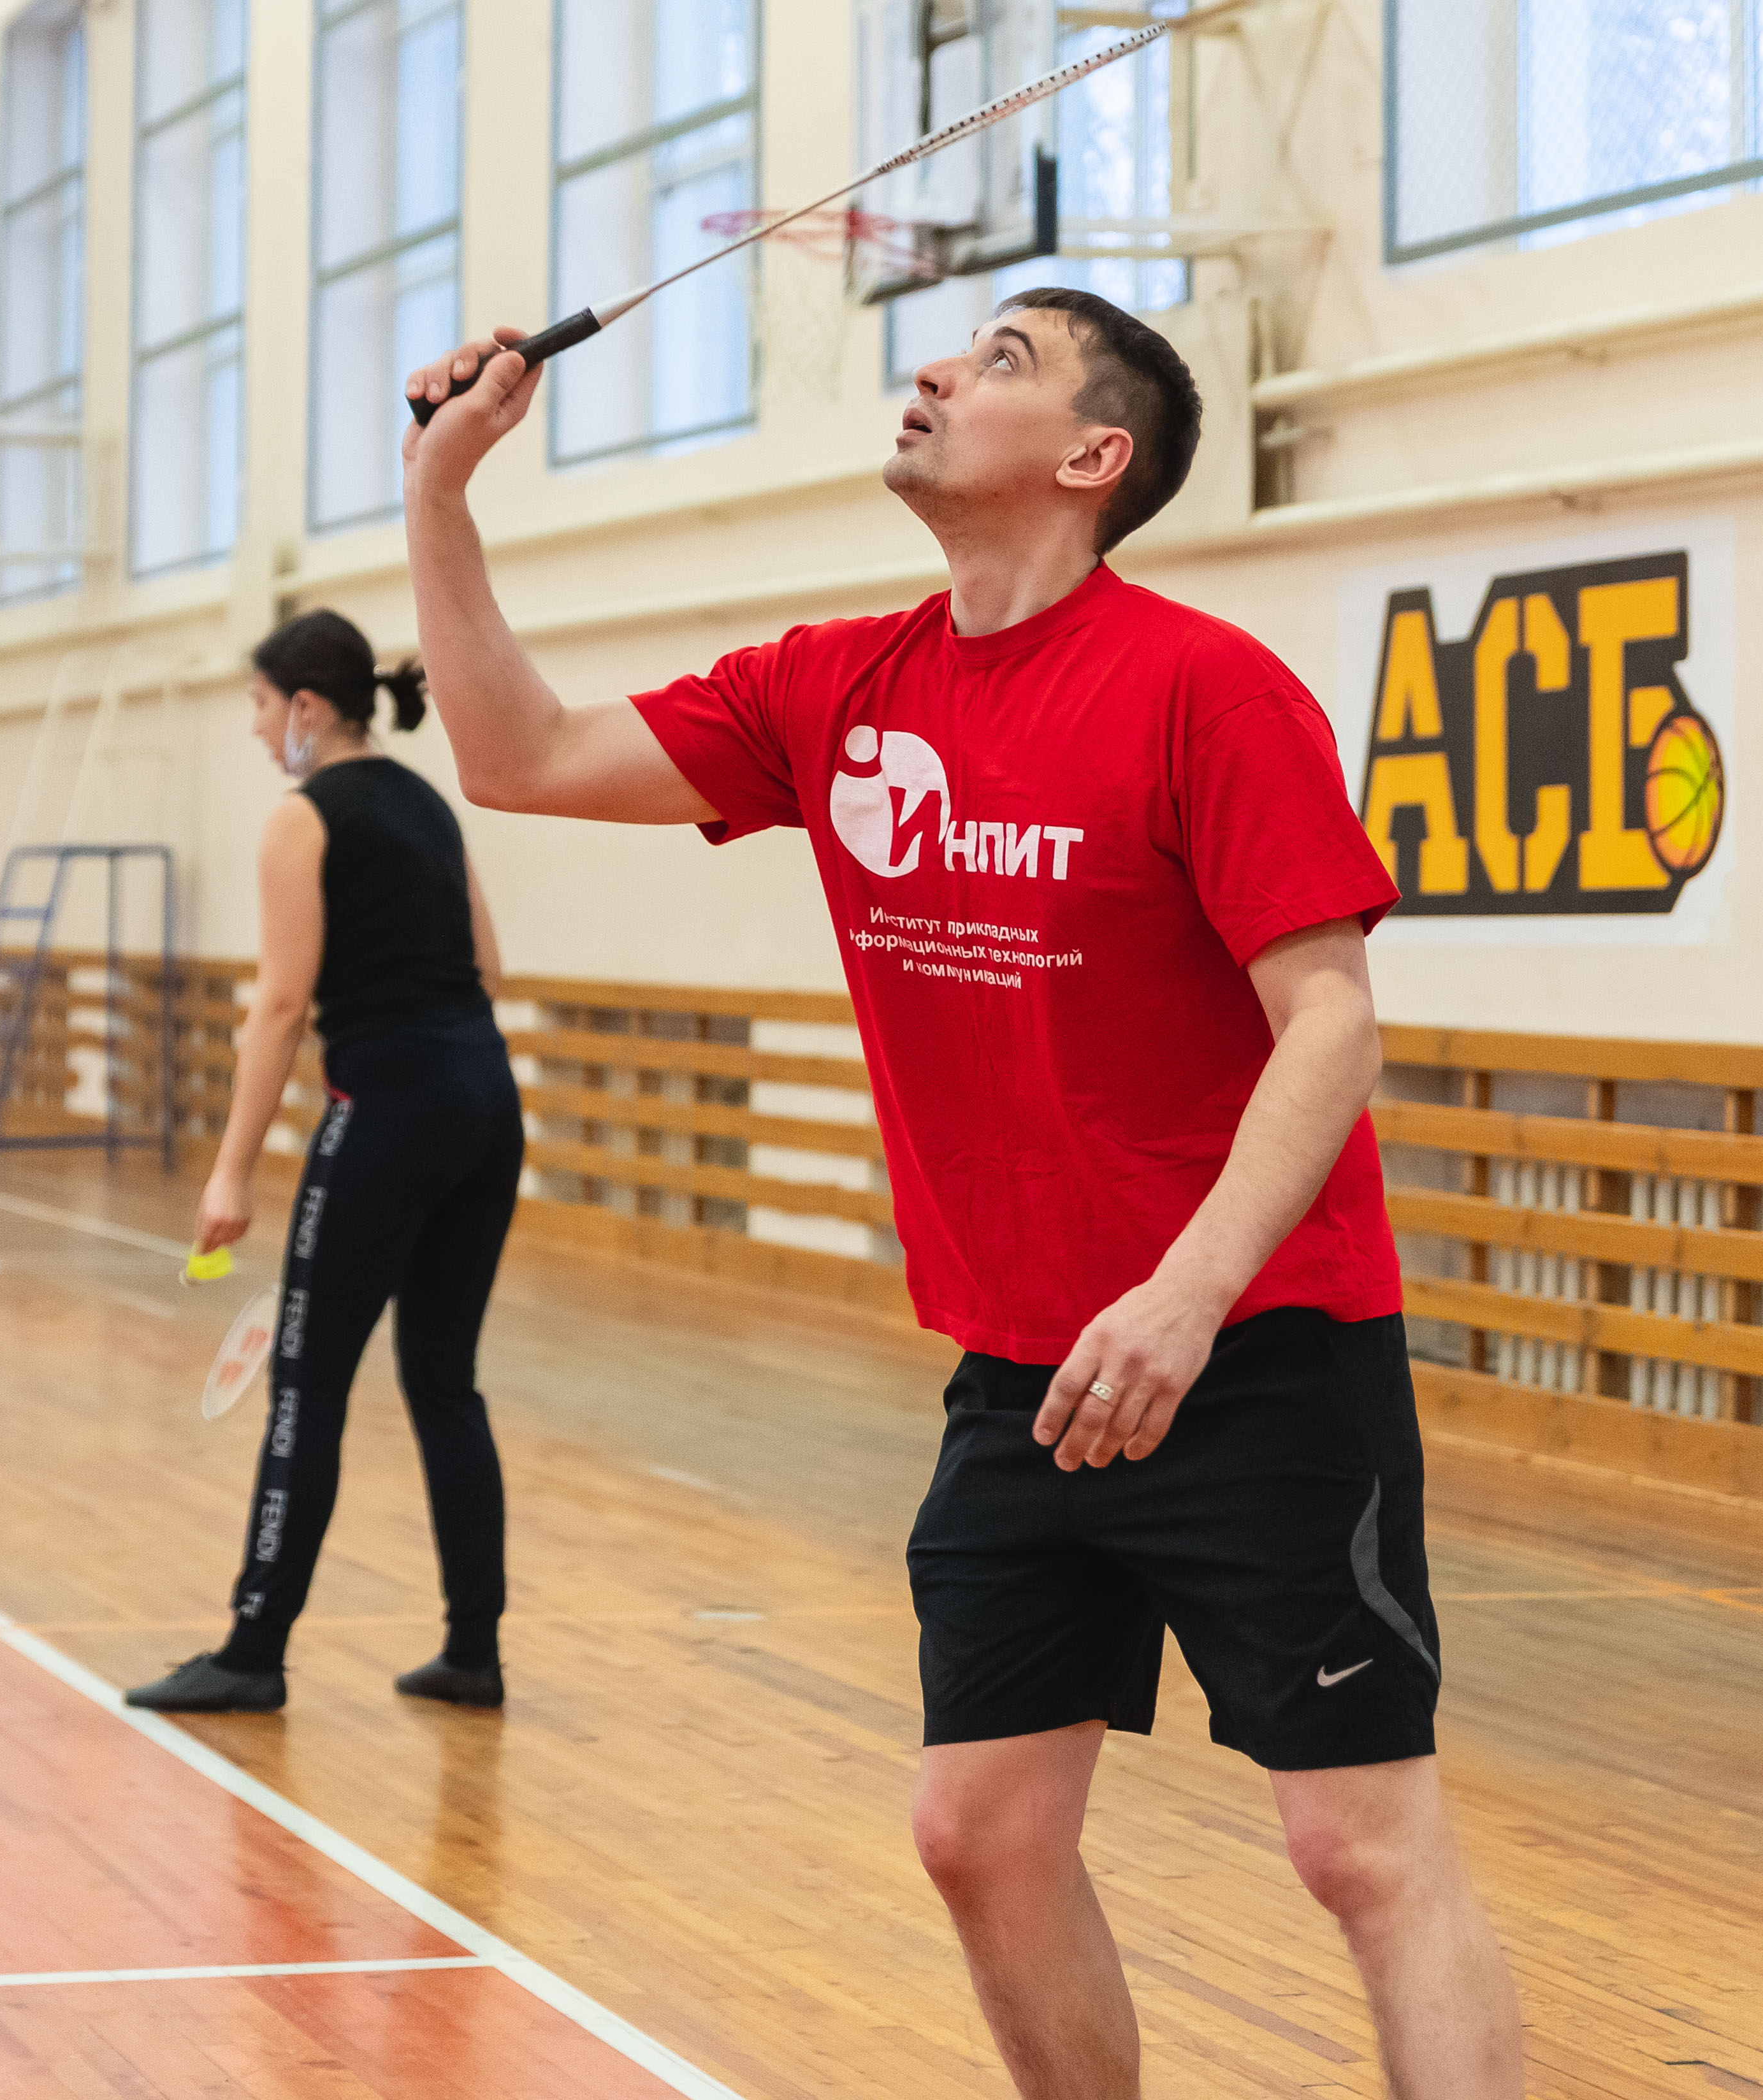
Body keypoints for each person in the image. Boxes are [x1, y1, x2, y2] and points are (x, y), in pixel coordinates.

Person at [398, 292, 1525, 2098]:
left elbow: (1329, 1022)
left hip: (1254, 1353)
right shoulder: (832, 689)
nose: (932, 367)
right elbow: (515, 754)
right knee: (977, 1829)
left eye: (1000, 358)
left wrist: (1184, 1293)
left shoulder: (1204, 687)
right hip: (1021, 1375)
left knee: (1357, 1848)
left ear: (1094, 457)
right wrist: (441, 493)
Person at [126, 609, 520, 1718]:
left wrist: (229, 1172)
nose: (256, 730)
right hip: (484, 1099)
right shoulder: (427, 802)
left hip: (387, 1106)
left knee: (306, 1379)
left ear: (305, 706)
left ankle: (252, 1650)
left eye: (260, 706)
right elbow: (488, 965)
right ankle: (472, 1649)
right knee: (443, 1377)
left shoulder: (302, 818)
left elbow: (282, 1004)